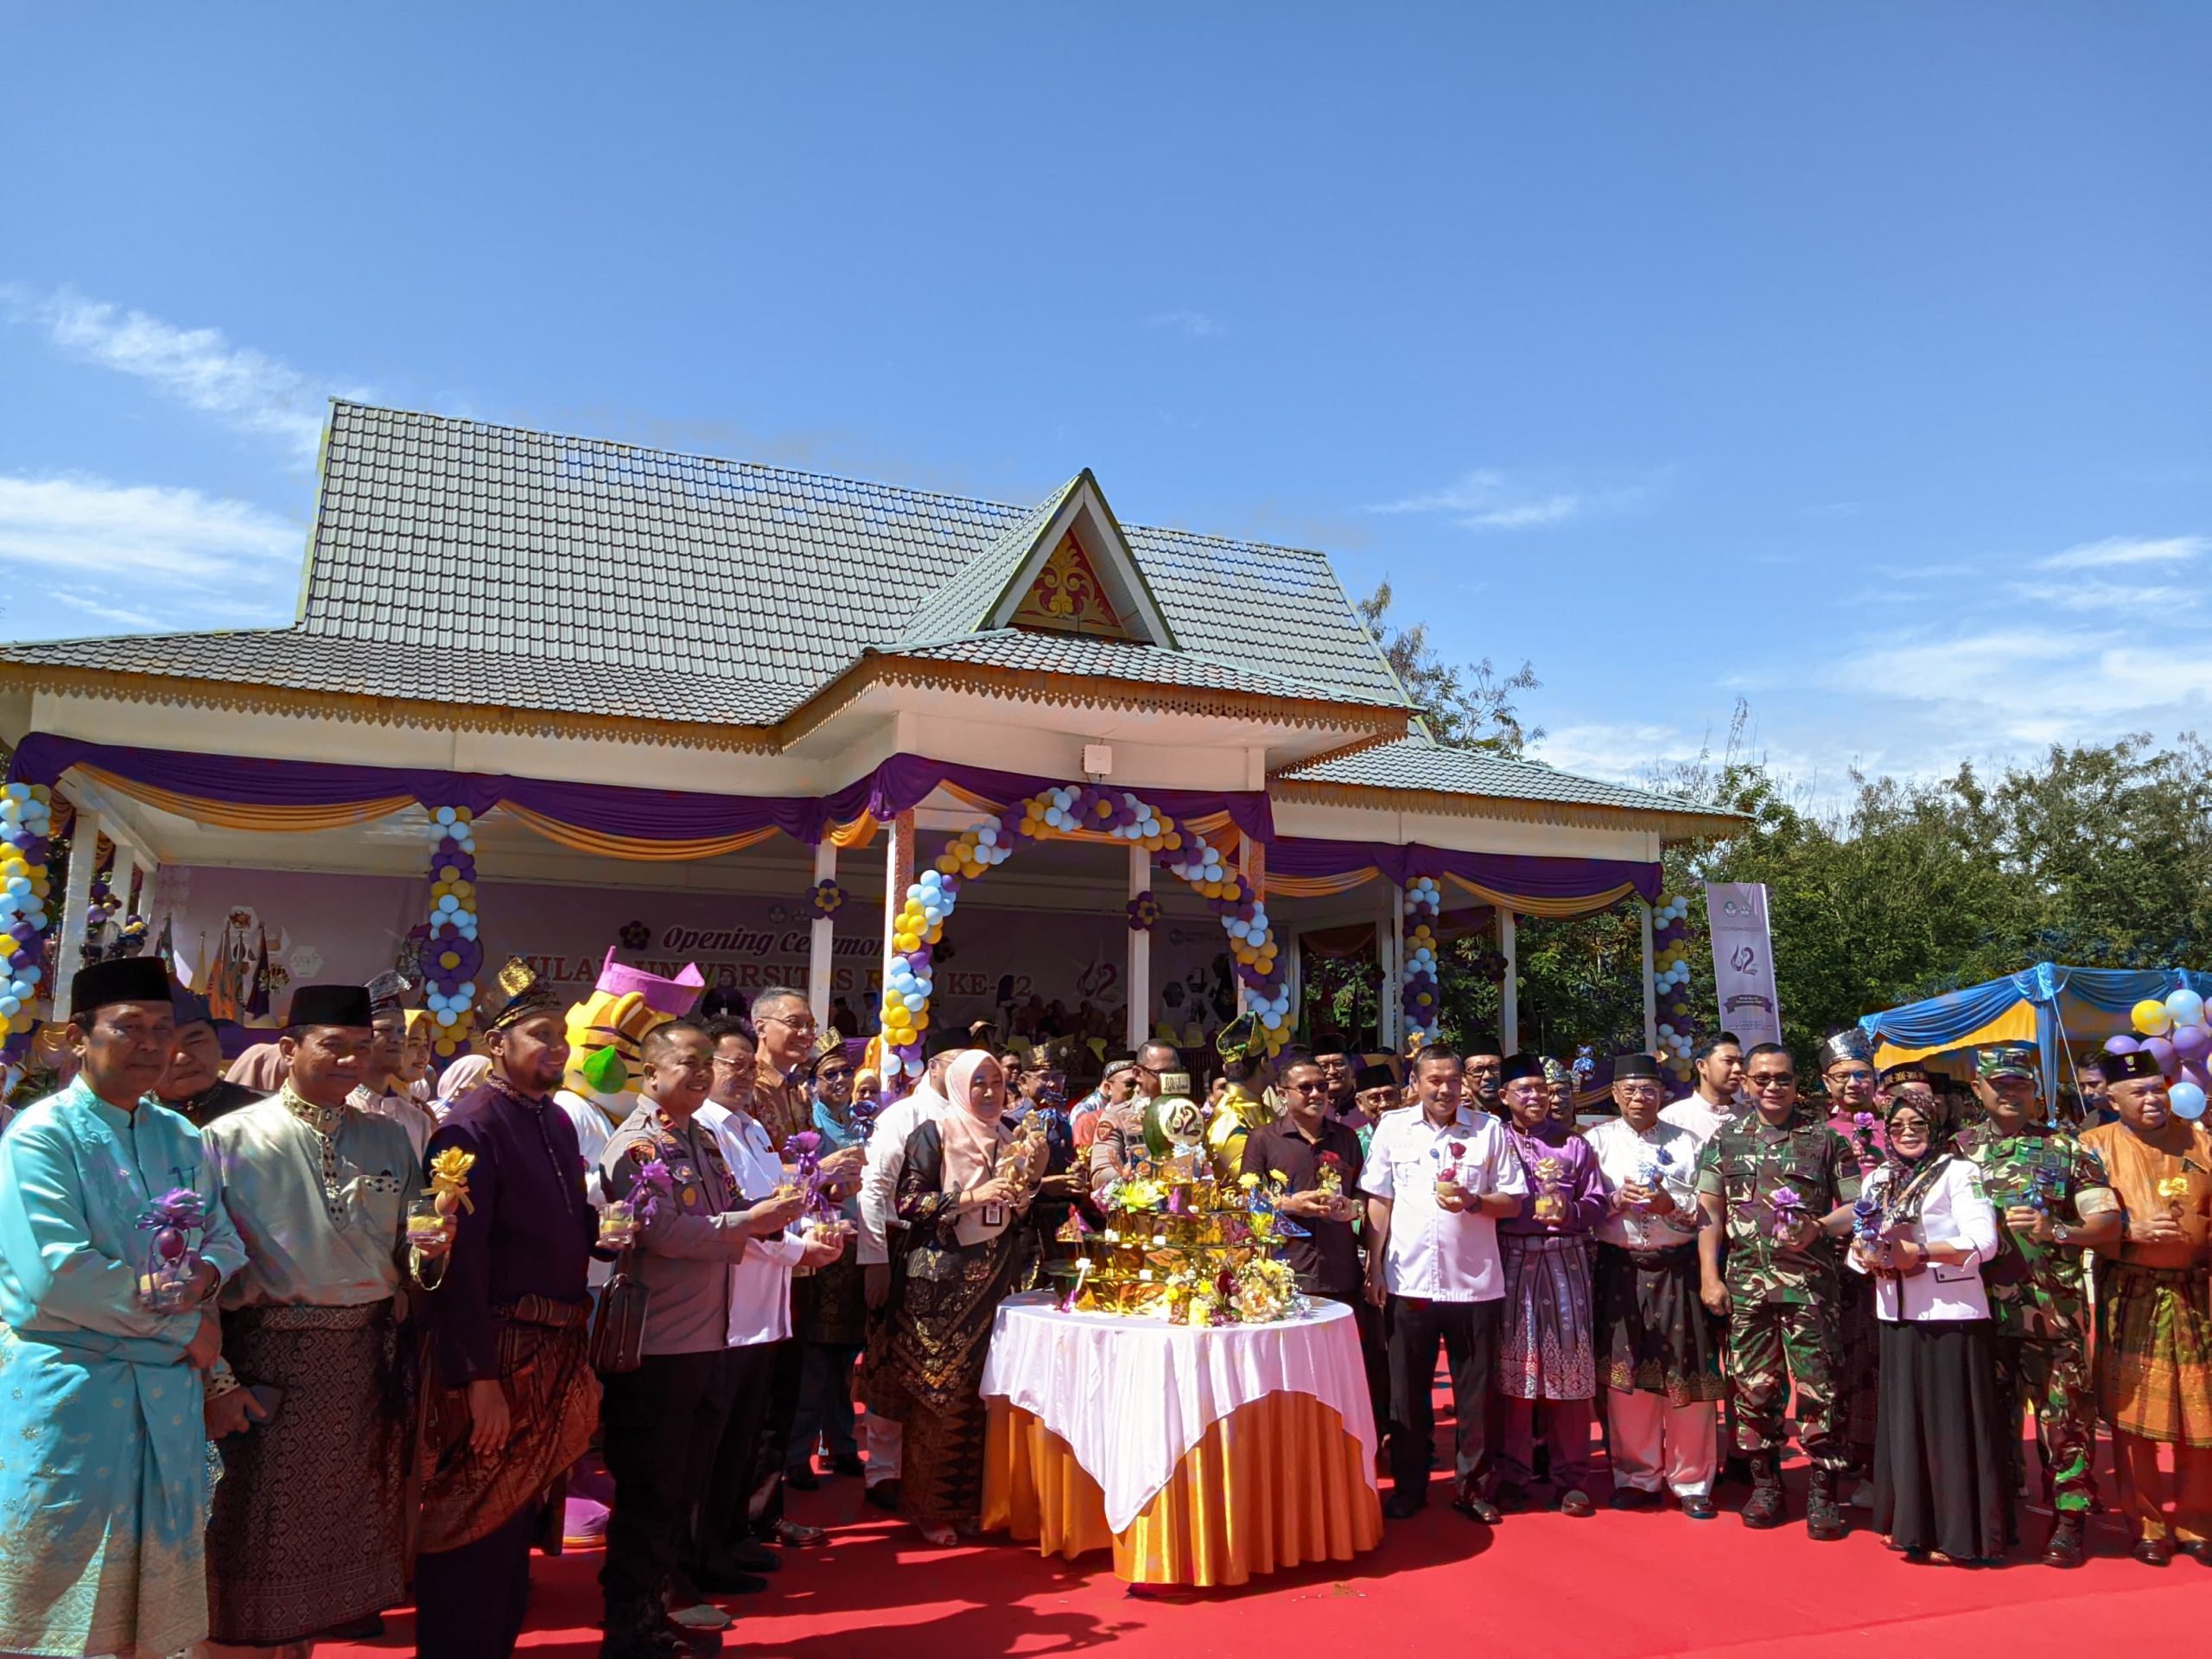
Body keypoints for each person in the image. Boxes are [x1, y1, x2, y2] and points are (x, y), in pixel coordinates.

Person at [0, 957, 247, 1659]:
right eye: (128, 1028)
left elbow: (223, 1237)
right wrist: (186, 1325)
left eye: (163, 1029)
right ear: (78, 1037)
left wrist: (202, 1279)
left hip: (163, 1398)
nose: (150, 1044)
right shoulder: (41, 1136)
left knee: (148, 1615)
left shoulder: (179, 1137)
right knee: (48, 1610)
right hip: (74, 1393)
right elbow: (58, 1275)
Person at [200, 982, 447, 1656]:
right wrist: (216, 1381)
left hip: (364, 1361)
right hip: (267, 1356)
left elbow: (412, 1250)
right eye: (333, 1047)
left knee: (333, 1531)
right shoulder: (229, 1138)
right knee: (249, 1533)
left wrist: (430, 1246)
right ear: (288, 1049)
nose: (350, 1062)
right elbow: (198, 1270)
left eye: (361, 1050)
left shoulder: (388, 1136)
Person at [594, 1020, 798, 1654]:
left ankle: (657, 1609)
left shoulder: (701, 1137)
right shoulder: (639, 1145)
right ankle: (630, 1626)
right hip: (660, 1343)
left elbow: (731, 1207)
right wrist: (749, 1222)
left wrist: (782, 1224)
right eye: (688, 1062)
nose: (703, 1071)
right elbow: (665, 1233)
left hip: (709, 1336)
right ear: (650, 1075)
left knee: (680, 1485)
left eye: (707, 1061)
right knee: (650, 1491)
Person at [416, 959, 601, 1659]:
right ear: (498, 1043)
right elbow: (460, 1268)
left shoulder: (553, 1120)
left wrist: (602, 1238)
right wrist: (478, 1379)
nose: (557, 1048)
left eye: (562, 1036)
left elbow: (558, 1225)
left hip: (552, 1348)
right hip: (498, 1351)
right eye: (540, 1034)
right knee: (471, 1524)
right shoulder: (471, 1127)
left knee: (512, 1528)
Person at [1951, 1042, 2119, 1567]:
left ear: (2035, 1091)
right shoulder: (1955, 1152)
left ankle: (2070, 1518)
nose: (2009, 1094)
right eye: (1998, 1085)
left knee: (2064, 1417)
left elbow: (2107, 1223)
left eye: (2019, 1085)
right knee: (1986, 1417)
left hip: (2052, 1312)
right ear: (1978, 1089)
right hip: (1978, 1314)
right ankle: (1995, 1513)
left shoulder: (2068, 1150)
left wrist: (2058, 1228)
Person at [1695, 1041, 1862, 1538]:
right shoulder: (1723, 1142)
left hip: (1812, 1290)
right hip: (1747, 1288)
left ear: (1797, 1085)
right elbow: (1709, 1213)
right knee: (1753, 1389)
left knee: (1820, 1389)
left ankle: (1823, 1491)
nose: (1772, 1087)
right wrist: (1709, 1275)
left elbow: (1858, 1206)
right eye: (1762, 1078)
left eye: (1782, 1079)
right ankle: (1766, 1486)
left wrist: (1820, 1226)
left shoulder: (1826, 1141)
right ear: (1745, 1082)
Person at [1363, 1046, 1527, 1523]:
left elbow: (1513, 1200)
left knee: (1475, 1394)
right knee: (1407, 1393)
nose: (1444, 1088)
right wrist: (1374, 1266)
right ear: (1415, 1082)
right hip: (1408, 1280)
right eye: (1434, 1079)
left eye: (1453, 1079)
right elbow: (1378, 1199)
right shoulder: (1393, 1127)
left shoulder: (1488, 1130)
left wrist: (1475, 1201)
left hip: (1473, 1283)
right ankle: (1410, 1487)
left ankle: (1473, 1487)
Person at [887, 1051, 1041, 1545]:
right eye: (979, 1083)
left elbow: (1014, 1210)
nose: (991, 1093)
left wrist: (1027, 1186)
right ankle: (930, 1509)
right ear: (957, 1085)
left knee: (982, 1396)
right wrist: (972, 1198)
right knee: (938, 1394)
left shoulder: (1007, 1137)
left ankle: (975, 1505)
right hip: (940, 1286)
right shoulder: (935, 1133)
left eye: (998, 1082)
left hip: (994, 1279)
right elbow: (908, 1202)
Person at [1852, 1093, 2009, 1564]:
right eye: (1896, 1123)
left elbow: (1984, 1241)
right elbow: (1861, 1236)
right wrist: (1863, 1256)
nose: (1906, 1130)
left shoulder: (1960, 1173)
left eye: (1917, 1121)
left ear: (1938, 1122)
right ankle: (1911, 1525)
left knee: (1948, 1426)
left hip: (1949, 1314)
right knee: (1905, 1423)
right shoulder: (1879, 1177)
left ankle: (1957, 1533)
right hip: (1895, 1313)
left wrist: (1920, 1252)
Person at [2080, 1050, 2212, 1565]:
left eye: (2158, 1088)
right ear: (2111, 1098)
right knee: (2134, 1418)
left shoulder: (2201, 1140)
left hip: (2196, 1292)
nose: (2153, 1099)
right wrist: (2128, 1234)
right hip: (2130, 1290)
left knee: (2201, 1417)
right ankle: (2149, 1524)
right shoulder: (2093, 1147)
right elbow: (2072, 1222)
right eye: (2138, 1092)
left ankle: (2198, 1522)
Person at [1586, 1053, 1722, 1517]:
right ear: (1615, 1094)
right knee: (1628, 1382)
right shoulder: (1596, 1142)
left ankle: (1692, 1481)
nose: (1639, 1098)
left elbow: (1706, 1211)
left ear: (1663, 1094)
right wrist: (1612, 1200)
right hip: (1620, 1268)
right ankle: (1636, 1476)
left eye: (1648, 1090)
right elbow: (1581, 1207)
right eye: (1630, 1090)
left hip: (1679, 1267)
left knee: (1687, 1378)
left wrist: (1668, 1204)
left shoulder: (1690, 1143)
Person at [1241, 1054, 1388, 1445]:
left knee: (1347, 1372)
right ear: (1281, 1093)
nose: (1315, 1094)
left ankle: (1352, 1447)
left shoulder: (1347, 1138)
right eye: (1304, 1087)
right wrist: (1290, 1204)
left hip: (1342, 1272)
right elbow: (1245, 1200)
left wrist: (1350, 1209)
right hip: (1285, 1274)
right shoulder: (1264, 1139)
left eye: (1321, 1086)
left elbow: (1363, 1198)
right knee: (1291, 1375)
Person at [855, 1029, 969, 1514]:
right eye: (964, 1067)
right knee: (891, 1362)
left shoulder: (977, 1119)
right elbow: (874, 1192)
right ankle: (883, 1467)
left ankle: (939, 1471)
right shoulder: (903, 1116)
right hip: (905, 1248)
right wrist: (875, 1261)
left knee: (945, 1368)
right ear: (938, 1066)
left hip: (962, 1258)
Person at [1492, 1054, 1608, 1515]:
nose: (1537, 1097)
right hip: (1511, 1259)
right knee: (1515, 1368)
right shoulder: (1493, 1141)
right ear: (1504, 1097)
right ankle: (1512, 1472)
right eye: (1525, 1089)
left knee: (1570, 1367)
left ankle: (1571, 1476)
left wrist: (1573, 1213)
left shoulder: (1574, 1145)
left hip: (1565, 1260)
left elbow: (1598, 1199)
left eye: (1542, 1088)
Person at [787, 1042, 869, 1488]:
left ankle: (841, 1444)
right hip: (817, 1247)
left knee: (843, 1357)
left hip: (855, 1247)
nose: (840, 1082)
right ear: (814, 1084)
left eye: (845, 1073)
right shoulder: (806, 1127)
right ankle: (798, 1453)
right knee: (813, 1358)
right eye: (830, 1075)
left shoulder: (859, 1123)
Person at [1816, 1029, 1885, 1500]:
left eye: (1862, 1075)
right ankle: (1836, 1459)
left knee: (1880, 1366)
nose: (1853, 1084)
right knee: (1835, 1364)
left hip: (1891, 1268)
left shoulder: (1898, 1128)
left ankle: (1880, 1467)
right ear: (1826, 1082)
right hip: (1831, 1264)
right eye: (1843, 1077)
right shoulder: (1814, 1133)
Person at [354, 973, 440, 1160]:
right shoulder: (340, 1109)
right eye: (385, 1030)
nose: (398, 1039)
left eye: (402, 1031)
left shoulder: (417, 1119)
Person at [158, 982, 262, 1126]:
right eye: (166, 1047)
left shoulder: (261, 1113)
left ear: (218, 1044)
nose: (182, 1058)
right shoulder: (128, 1118)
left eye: (195, 1042)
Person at [1089, 1039, 1180, 1187]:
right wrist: (1134, 1173)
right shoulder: (1117, 1117)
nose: (1170, 1079)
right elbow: (1099, 1175)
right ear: (1138, 1074)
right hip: (1141, 1204)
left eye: (1176, 1072)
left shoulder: (1187, 1112)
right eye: (1162, 1073)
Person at [750, 985, 824, 1149]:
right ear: (761, 1028)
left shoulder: (800, 1094)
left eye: (811, 1025)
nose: (806, 1033)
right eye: (794, 1023)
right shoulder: (745, 1087)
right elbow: (746, 1167)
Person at [1662, 1033, 1743, 1141]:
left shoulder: (1753, 1119)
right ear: (1702, 1066)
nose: (1738, 1069)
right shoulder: (1671, 1119)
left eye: (1741, 1062)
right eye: (1728, 1061)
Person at [1069, 1055, 1135, 1153]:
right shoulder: (1087, 1117)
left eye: (1141, 1083)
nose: (1137, 1089)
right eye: (1130, 1084)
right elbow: (1084, 1161)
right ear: (1108, 1088)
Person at [1464, 1037, 1505, 1118]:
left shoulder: (1520, 1116)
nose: (1487, 1076)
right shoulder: (1458, 1117)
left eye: (1494, 1067)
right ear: (1464, 1078)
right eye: (1477, 1070)